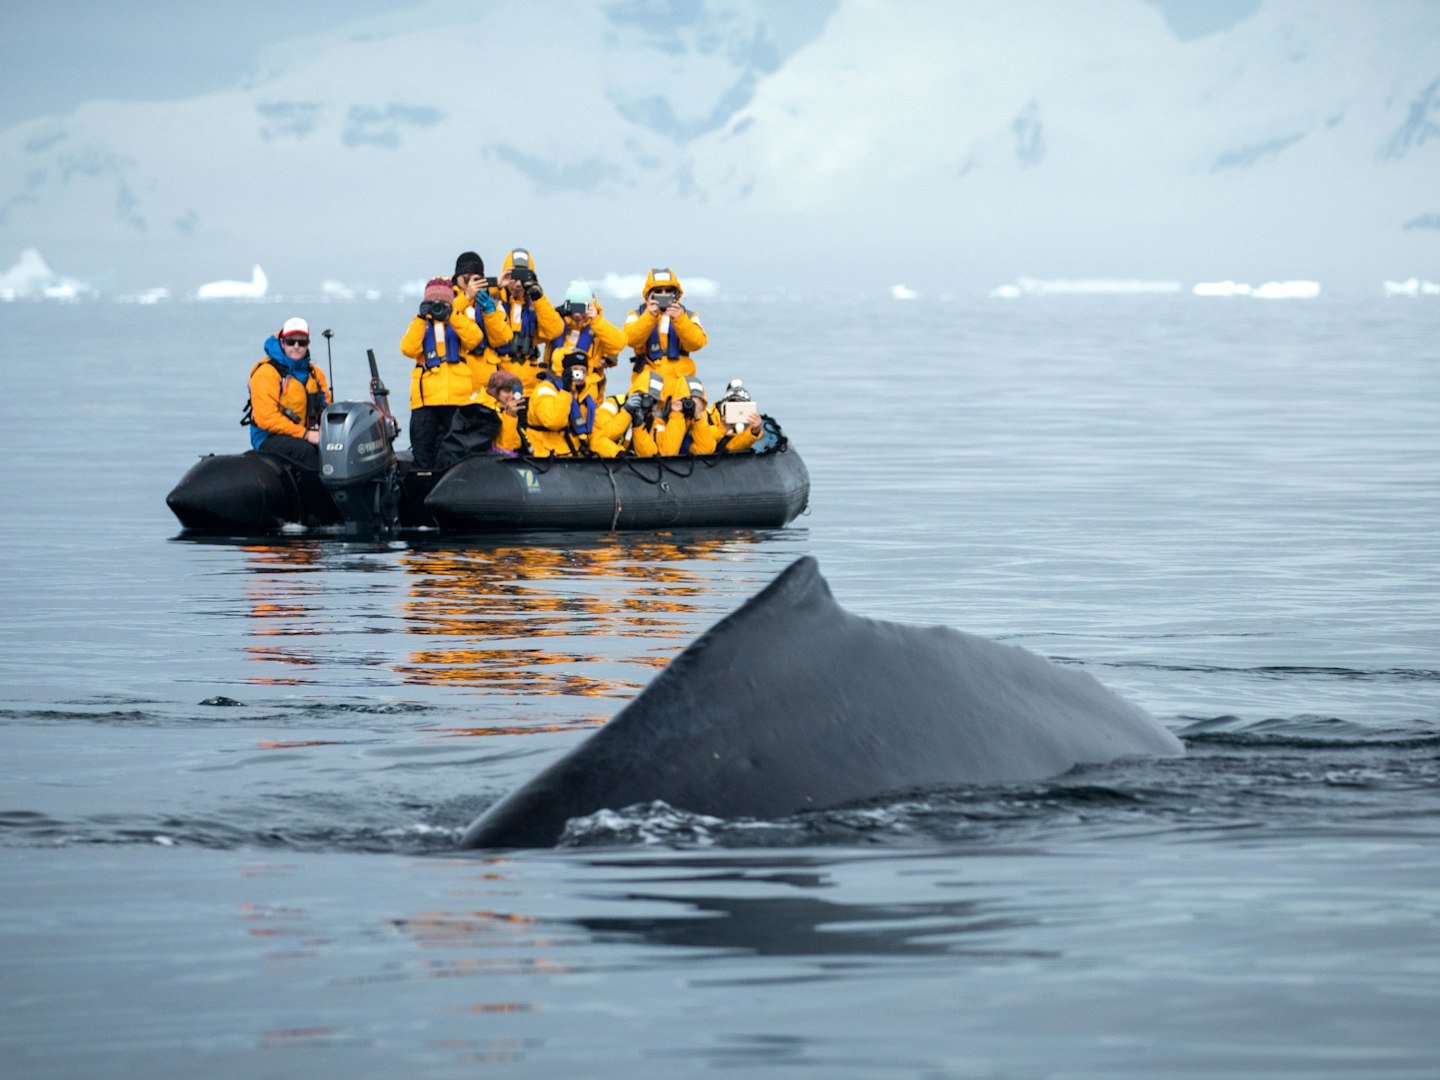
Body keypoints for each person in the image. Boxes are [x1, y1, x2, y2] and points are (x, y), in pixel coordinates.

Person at [400, 277, 499, 472]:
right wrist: (421, 317)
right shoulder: (420, 324)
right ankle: (420, 492)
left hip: (456, 400)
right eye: (433, 302)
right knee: (422, 453)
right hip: (425, 402)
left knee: (455, 453)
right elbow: (408, 349)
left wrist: (452, 314)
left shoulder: (459, 321)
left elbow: (475, 338)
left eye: (443, 302)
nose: (438, 307)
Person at [246, 317, 330, 470]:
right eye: (291, 342)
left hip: (303, 434)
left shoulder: (316, 375)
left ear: (308, 344)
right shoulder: (266, 373)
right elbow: (266, 418)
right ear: (283, 342)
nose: (296, 346)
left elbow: (327, 410)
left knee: (333, 450)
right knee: (305, 451)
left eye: (302, 342)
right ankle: (317, 493)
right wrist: (306, 435)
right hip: (269, 437)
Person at [623, 267, 708, 392]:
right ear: (649, 295)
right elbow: (629, 339)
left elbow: (697, 343)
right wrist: (650, 315)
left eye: (668, 291)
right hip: (646, 381)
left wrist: (680, 319)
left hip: (679, 383)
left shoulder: (688, 315)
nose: (663, 294)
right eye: (658, 291)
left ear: (676, 294)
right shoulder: (637, 315)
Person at [491, 248, 564, 393]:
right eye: (514, 276)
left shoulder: (536, 302)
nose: (518, 283)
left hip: (529, 385)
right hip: (499, 385)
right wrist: (496, 284)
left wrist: (538, 297)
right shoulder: (492, 299)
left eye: (523, 277)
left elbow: (554, 330)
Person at [547, 280, 626, 399]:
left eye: (581, 307)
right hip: (557, 385)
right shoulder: (557, 324)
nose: (577, 313)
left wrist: (596, 319)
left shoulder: (598, 327)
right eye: (574, 307)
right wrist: (555, 312)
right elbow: (541, 324)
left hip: (587, 389)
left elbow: (620, 343)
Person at [450, 250, 514, 389]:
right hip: (457, 378)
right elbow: (445, 316)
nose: (471, 284)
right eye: (466, 279)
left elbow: (502, 338)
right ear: (457, 277)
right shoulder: (449, 297)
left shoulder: (491, 300)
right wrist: (466, 297)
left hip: (486, 379)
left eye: (476, 280)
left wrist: (489, 312)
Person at [657, 375, 763, 455]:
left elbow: (707, 449)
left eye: (697, 401)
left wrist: (698, 417)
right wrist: (677, 415)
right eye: (687, 400)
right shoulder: (663, 418)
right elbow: (668, 453)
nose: (690, 405)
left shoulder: (701, 417)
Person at [524, 350, 599, 457]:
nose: (579, 375)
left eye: (583, 371)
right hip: (544, 453)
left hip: (571, 451)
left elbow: (593, 431)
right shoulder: (545, 389)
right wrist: (565, 390)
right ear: (565, 371)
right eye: (575, 370)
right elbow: (553, 422)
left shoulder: (583, 396)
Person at [590, 371, 667, 457]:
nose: (646, 403)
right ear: (634, 391)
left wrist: (638, 426)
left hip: (631, 466)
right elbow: (599, 437)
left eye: (653, 400)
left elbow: (649, 455)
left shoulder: (652, 422)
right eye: (642, 396)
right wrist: (626, 412)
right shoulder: (613, 404)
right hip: (607, 461)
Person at [485, 370, 528, 455]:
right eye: (507, 391)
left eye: (514, 392)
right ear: (494, 391)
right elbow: (504, 449)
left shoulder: (503, 407)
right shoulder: (485, 411)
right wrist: (510, 416)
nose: (511, 396)